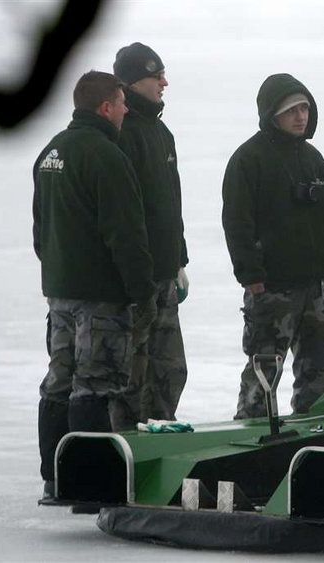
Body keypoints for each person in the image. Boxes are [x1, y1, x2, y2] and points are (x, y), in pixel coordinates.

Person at [33, 71, 156, 498]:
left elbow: (39, 229)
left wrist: (58, 272)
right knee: (96, 384)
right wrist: (142, 290)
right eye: (121, 103)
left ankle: (54, 477)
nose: (125, 110)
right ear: (105, 107)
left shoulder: (51, 152)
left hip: (61, 292)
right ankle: (86, 485)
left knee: (59, 381)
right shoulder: (106, 156)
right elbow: (125, 233)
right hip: (101, 296)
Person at [222, 73, 324, 419]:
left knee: (320, 370)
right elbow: (237, 223)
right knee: (264, 372)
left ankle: (316, 433)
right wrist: (249, 273)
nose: (300, 117)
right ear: (271, 114)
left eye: (304, 109)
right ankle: (251, 433)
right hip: (271, 289)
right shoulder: (248, 160)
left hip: (317, 288)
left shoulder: (313, 158)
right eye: (291, 111)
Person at [112, 42, 189, 429]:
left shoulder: (162, 133)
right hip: (136, 279)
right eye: (156, 76)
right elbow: (121, 214)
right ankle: (124, 450)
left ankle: (163, 437)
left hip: (165, 274)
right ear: (130, 83)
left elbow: (170, 204)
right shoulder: (121, 134)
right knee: (131, 375)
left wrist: (180, 259)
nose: (164, 82)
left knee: (171, 369)